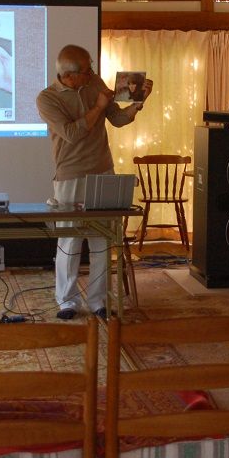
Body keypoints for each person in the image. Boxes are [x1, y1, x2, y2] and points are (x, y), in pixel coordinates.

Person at [36, 45, 153, 320]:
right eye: (86, 70)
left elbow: (118, 119)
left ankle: (99, 301)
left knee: (102, 240)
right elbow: (71, 133)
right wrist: (98, 106)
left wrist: (138, 103)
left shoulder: (95, 82)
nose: (92, 73)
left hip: (103, 170)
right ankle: (67, 302)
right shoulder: (47, 98)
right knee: (70, 241)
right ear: (69, 75)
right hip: (70, 175)